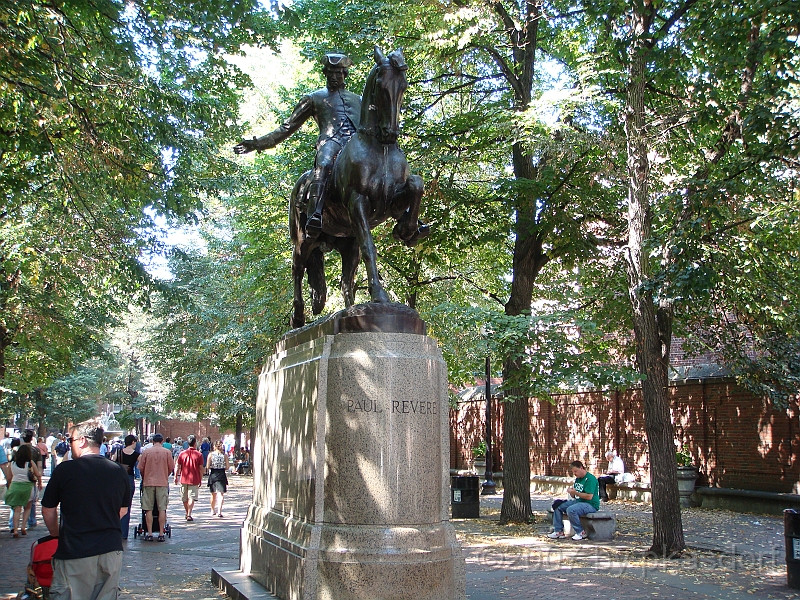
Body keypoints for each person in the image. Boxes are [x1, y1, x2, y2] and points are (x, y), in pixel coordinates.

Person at [234, 53, 361, 238]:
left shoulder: (358, 99)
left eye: (339, 73)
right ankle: (315, 213)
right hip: (331, 142)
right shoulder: (314, 98)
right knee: (324, 164)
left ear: (345, 74)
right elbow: (287, 127)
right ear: (325, 73)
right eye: (331, 73)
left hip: (356, 145)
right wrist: (256, 143)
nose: (335, 77)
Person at [41, 421, 130, 600]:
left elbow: (48, 509)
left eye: (71, 440)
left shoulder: (65, 470)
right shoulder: (119, 471)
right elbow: (123, 510)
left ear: (82, 440)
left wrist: (56, 534)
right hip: (110, 549)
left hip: (75, 550)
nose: (69, 444)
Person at [548, 460, 600, 541]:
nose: (575, 474)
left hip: (590, 504)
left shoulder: (590, 479)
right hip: (579, 501)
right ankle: (558, 531)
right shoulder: (578, 479)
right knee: (557, 506)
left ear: (581, 468)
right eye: (573, 472)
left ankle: (580, 532)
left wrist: (575, 492)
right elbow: (575, 496)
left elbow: (589, 496)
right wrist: (572, 492)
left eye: (576, 471)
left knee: (571, 510)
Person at [137, 432, 174, 541]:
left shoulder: (146, 452)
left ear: (152, 441)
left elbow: (141, 467)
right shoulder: (167, 452)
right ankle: (161, 533)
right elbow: (171, 467)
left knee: (148, 508)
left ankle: (149, 533)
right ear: (162, 441)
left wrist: (145, 476)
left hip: (148, 482)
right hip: (162, 482)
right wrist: (165, 474)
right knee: (162, 508)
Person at [4, 444, 40, 537]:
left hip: (15, 487)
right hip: (28, 488)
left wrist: (9, 485)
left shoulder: (12, 464)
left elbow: (8, 477)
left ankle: (15, 530)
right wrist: (39, 483)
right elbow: (37, 474)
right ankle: (23, 527)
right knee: (27, 508)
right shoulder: (30, 463)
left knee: (17, 510)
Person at [174, 435, 204, 522]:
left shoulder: (182, 454)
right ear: (195, 443)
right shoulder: (199, 454)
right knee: (191, 497)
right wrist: (200, 478)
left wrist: (175, 476)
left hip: (184, 478)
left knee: (184, 498)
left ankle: (187, 513)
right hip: (194, 479)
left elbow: (177, 466)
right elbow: (201, 468)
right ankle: (189, 514)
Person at [116, 434, 140, 540]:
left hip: (118, 480)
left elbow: (112, 462)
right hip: (129, 479)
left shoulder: (118, 452)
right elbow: (143, 464)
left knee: (116, 505)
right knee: (127, 506)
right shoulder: (136, 454)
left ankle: (115, 530)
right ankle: (124, 533)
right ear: (133, 442)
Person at [206, 440, 229, 517]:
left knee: (213, 494)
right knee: (221, 494)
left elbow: (207, 466)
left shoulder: (211, 454)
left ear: (214, 446)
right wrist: (222, 466)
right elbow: (227, 467)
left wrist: (213, 466)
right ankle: (219, 511)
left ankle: (212, 510)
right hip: (222, 474)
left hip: (213, 474)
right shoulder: (224, 455)